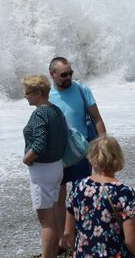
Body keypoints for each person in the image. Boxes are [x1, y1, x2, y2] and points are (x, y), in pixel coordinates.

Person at [48, 57, 107, 251]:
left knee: (80, 194)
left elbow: (97, 118)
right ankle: (61, 239)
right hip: (57, 153)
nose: (68, 77)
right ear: (52, 74)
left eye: (70, 73)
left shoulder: (82, 90)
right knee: (58, 196)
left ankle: (78, 234)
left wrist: (103, 144)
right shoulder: (46, 95)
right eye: (63, 74)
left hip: (81, 152)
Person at [63, 136, 135, 258]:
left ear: (92, 158)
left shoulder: (78, 187)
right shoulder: (123, 192)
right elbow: (131, 241)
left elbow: (68, 233)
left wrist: (80, 250)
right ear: (117, 158)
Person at [22, 74, 68, 258]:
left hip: (43, 170)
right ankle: (52, 252)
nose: (25, 96)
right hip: (57, 166)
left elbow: (40, 144)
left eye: (27, 92)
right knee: (52, 214)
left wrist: (26, 159)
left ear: (38, 93)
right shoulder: (56, 110)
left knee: (45, 220)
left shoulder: (40, 113)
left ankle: (47, 255)